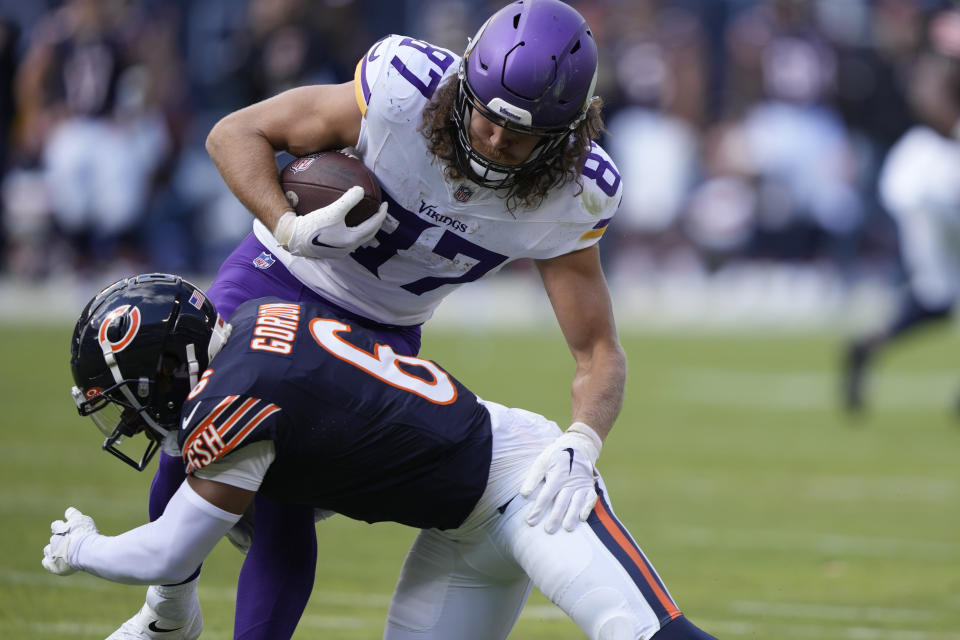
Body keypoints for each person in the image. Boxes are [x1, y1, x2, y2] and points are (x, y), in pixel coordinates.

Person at [127, 1, 627, 638]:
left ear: (567, 135)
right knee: (187, 432)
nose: (496, 140)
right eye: (487, 115)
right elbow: (233, 134)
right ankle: (166, 615)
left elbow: (597, 350)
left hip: (380, 331)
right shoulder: (403, 91)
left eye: (520, 132)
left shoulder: (573, 194)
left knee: (283, 493)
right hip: (277, 272)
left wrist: (585, 439)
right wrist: (287, 222)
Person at [44, 273, 715, 640]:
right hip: (454, 532)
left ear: (169, 368)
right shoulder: (256, 323)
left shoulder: (236, 399)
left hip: (529, 481)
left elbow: (166, 552)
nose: (131, 420)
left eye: (131, 395)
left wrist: (83, 548)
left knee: (637, 633)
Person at [843, 8, 960, 413]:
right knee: (938, 295)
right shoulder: (946, 25)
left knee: (938, 297)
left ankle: (869, 342)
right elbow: (931, 82)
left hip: (925, 169)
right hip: (944, 167)